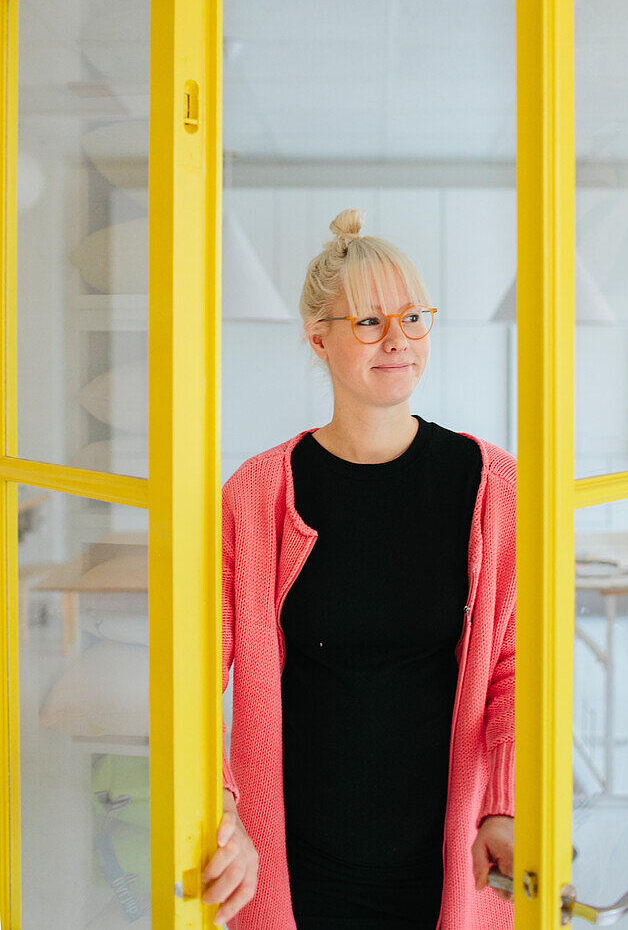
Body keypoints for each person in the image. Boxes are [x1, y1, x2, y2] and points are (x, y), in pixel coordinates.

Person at [201, 208, 516, 929]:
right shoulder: (256, 495)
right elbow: (196, 670)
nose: (398, 340)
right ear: (318, 339)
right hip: (296, 859)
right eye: (368, 323)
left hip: (449, 860)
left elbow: (515, 664)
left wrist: (505, 806)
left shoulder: (493, 485)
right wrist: (219, 807)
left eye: (412, 317)